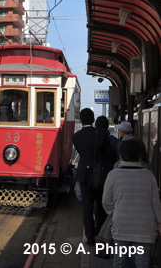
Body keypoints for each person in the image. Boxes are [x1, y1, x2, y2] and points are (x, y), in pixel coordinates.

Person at [102, 138, 161, 268]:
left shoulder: (113, 175)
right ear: (140, 156)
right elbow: (156, 203)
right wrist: (159, 223)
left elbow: (106, 202)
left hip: (121, 226)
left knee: (119, 262)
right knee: (142, 264)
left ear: (120, 156)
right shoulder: (149, 175)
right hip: (145, 228)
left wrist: (117, 212)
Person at [72, 108, 115, 247]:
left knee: (87, 207)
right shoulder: (100, 135)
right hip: (100, 175)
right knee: (101, 206)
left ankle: (90, 239)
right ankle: (100, 234)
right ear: (92, 120)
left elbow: (82, 154)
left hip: (84, 175)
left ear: (80, 121)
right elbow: (109, 154)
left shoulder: (76, 137)